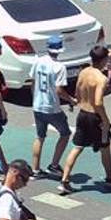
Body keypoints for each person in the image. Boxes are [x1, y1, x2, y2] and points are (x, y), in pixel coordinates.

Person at [59, 46, 111, 192]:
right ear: (104, 60)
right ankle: (109, 177)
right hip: (95, 116)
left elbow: (77, 91)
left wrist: (77, 101)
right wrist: (105, 120)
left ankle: (65, 179)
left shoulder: (84, 72)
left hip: (82, 113)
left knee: (77, 147)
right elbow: (98, 102)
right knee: (105, 146)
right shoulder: (102, 78)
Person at [29, 34, 75, 179]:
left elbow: (33, 81)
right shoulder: (60, 67)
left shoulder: (38, 61)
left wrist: (34, 98)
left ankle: (35, 169)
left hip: (38, 105)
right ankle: (54, 165)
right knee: (65, 133)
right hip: (52, 108)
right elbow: (59, 90)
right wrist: (71, 100)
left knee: (40, 136)